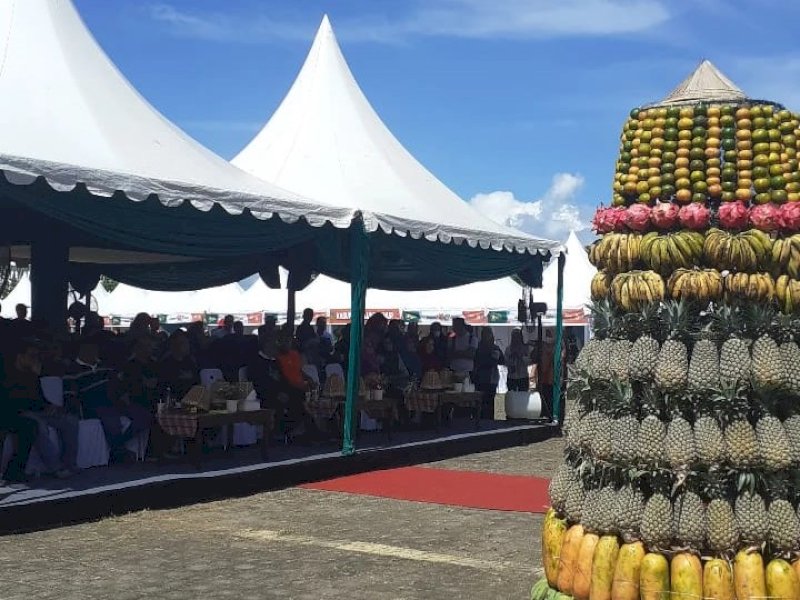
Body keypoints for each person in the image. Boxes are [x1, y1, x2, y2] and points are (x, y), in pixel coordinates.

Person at [4, 340, 78, 477]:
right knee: (38, 425)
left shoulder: (31, 375)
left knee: (70, 421)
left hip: (39, 410)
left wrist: (50, 406)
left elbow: (39, 398)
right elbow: (13, 402)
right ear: (20, 357)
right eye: (31, 356)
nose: (35, 359)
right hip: (21, 412)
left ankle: (70, 464)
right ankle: (56, 467)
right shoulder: (8, 376)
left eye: (37, 356)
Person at [473, 328, 505, 420]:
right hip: (480, 376)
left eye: (488, 334)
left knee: (492, 398)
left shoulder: (495, 348)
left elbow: (502, 361)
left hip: (492, 376)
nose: (486, 336)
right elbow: (476, 361)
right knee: (481, 398)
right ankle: (481, 417)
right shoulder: (478, 347)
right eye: (485, 334)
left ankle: (493, 418)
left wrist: (494, 359)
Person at [158, 331, 199, 400]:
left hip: (193, 399)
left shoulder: (190, 361)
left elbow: (197, 381)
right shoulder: (166, 364)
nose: (187, 346)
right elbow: (166, 386)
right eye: (184, 343)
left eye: (187, 343)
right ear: (175, 345)